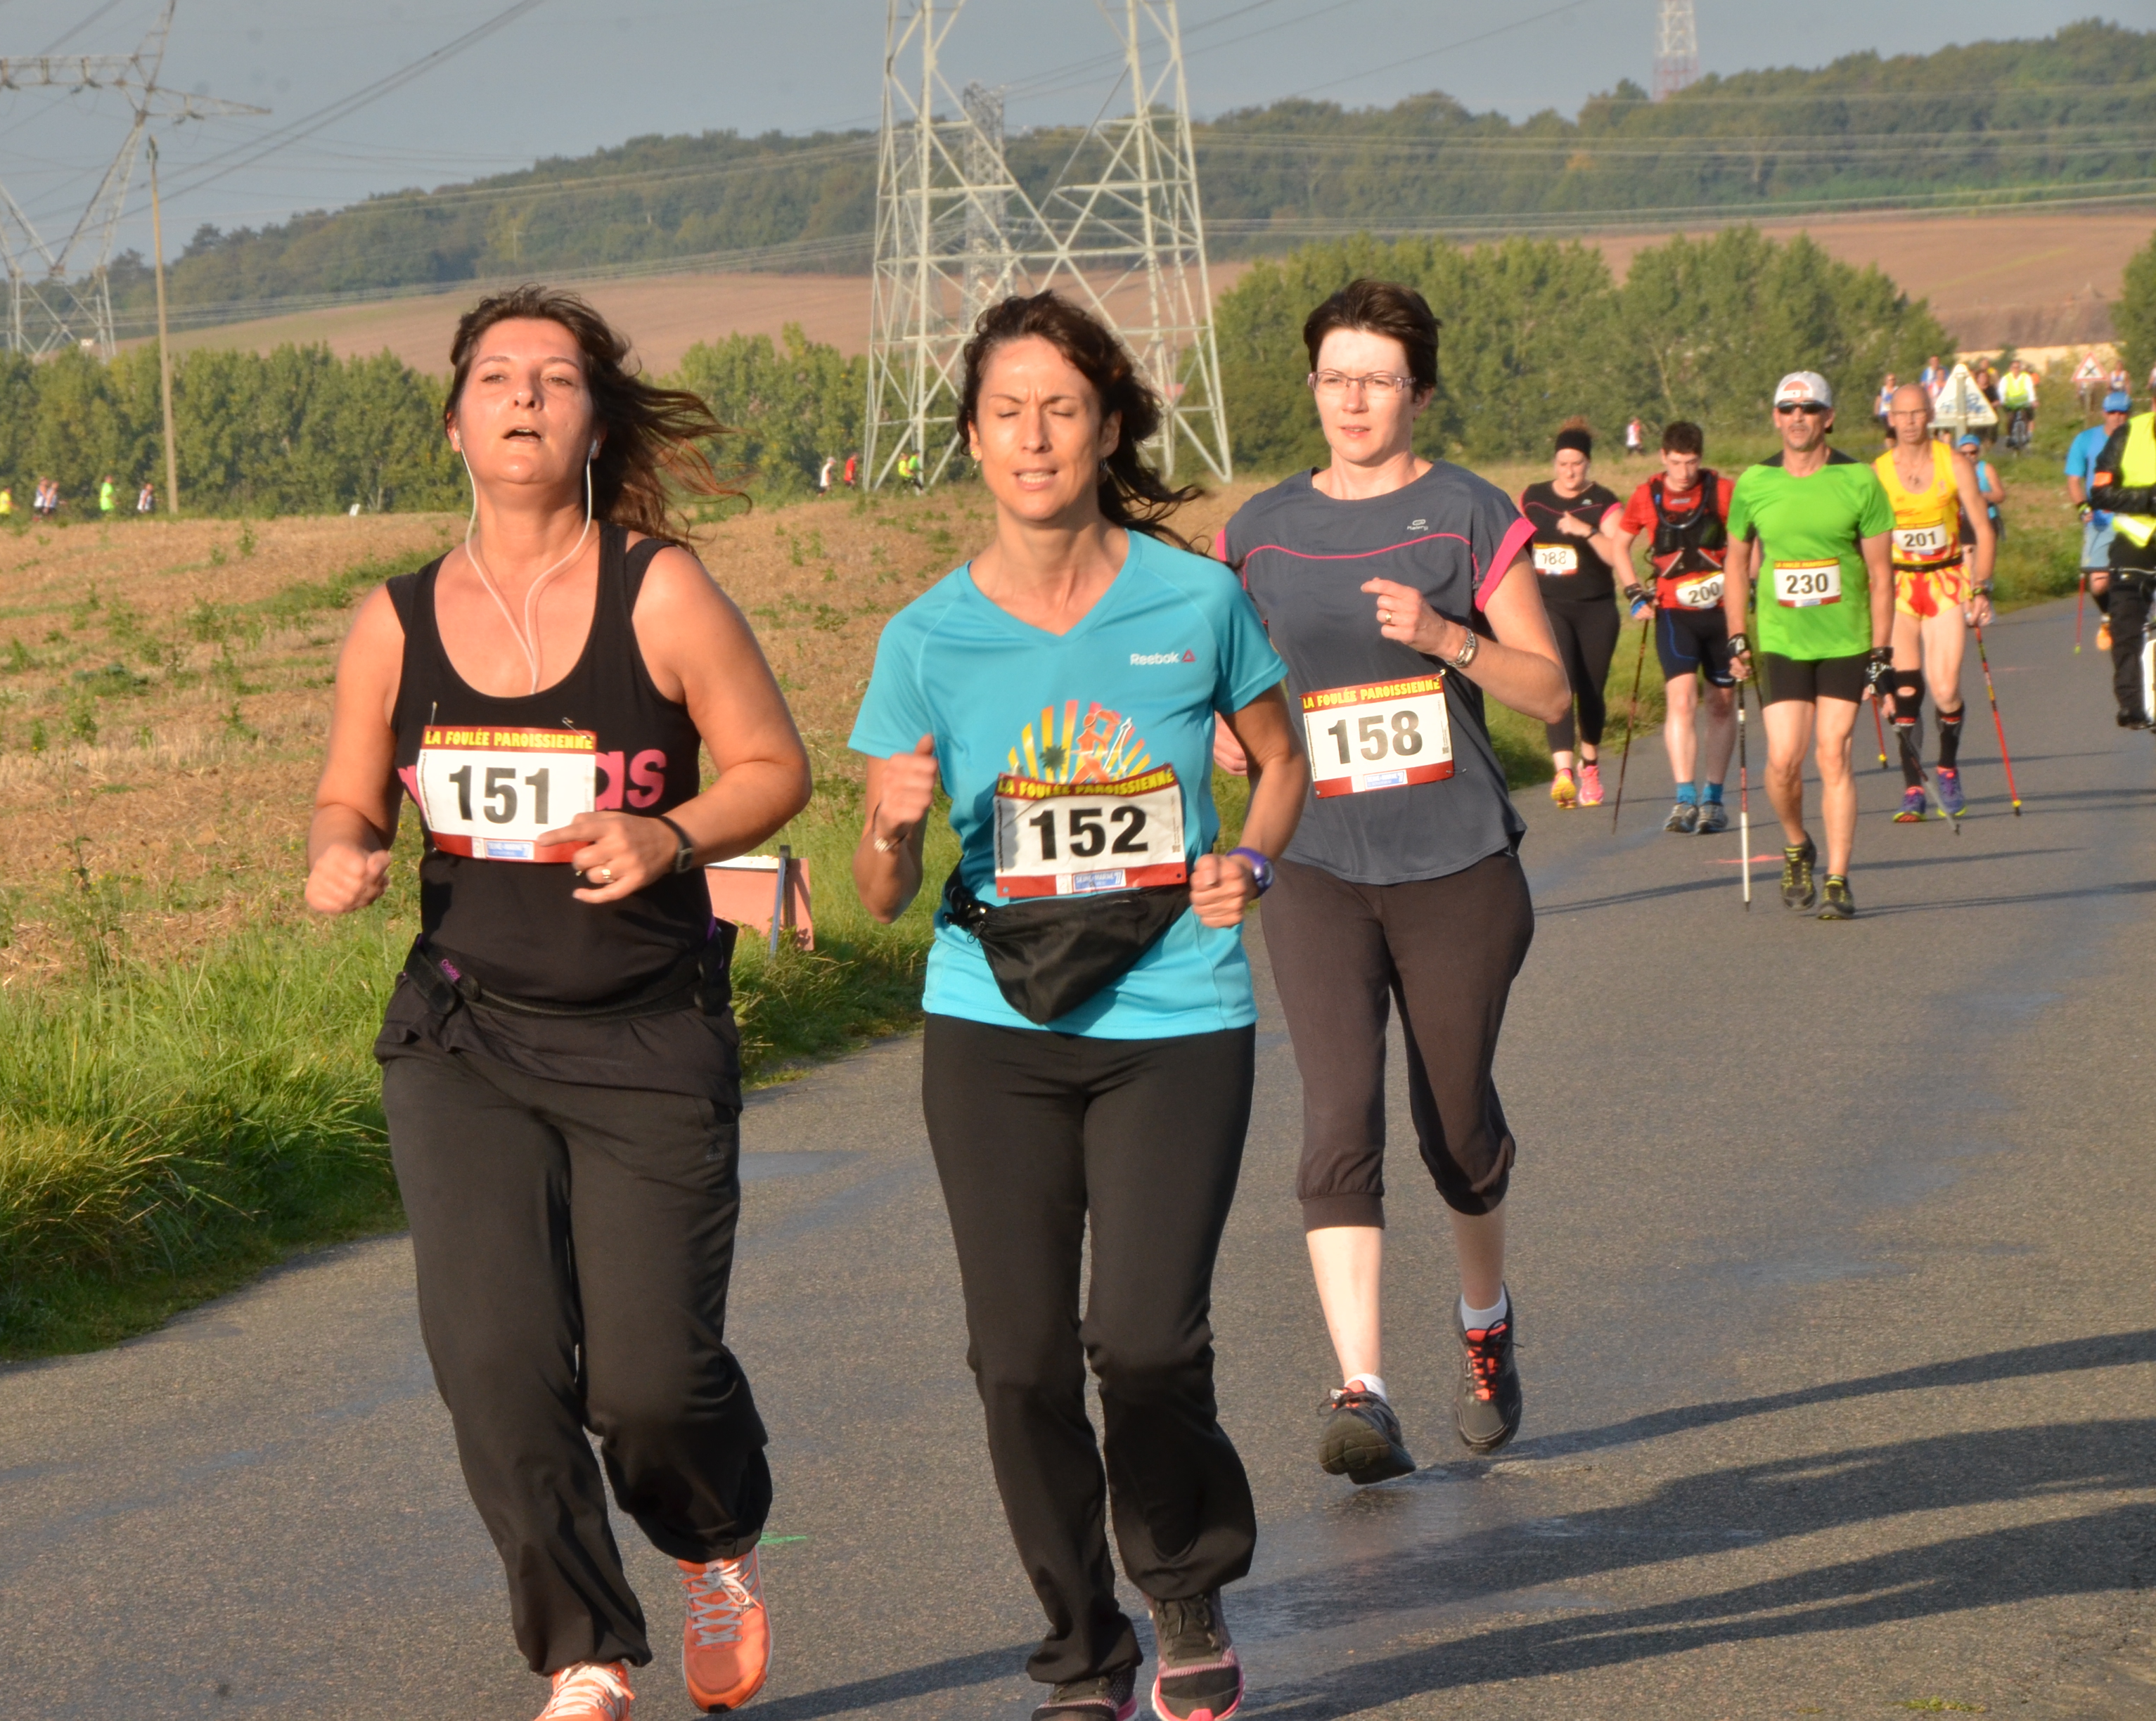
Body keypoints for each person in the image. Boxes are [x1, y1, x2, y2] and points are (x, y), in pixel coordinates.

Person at [304, 285, 811, 1721]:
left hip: (647, 1032)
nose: (525, 395)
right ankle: (585, 1651)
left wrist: (672, 834)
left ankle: (714, 1536)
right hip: (462, 1034)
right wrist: (343, 847)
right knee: (494, 1362)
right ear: (454, 422)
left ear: (595, 422)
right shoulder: (396, 620)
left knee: (650, 1382)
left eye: (557, 377)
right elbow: (349, 792)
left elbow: (773, 768)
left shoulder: (662, 592)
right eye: (497, 376)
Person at [852, 290, 1303, 1721]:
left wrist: (1249, 859)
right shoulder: (925, 637)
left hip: (1176, 1011)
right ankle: (1081, 1644)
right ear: (973, 439)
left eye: (1062, 408)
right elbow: (879, 892)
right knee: (1019, 1360)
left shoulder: (1196, 600)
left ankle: (1185, 1579)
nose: (1035, 436)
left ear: (1109, 427)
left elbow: (1281, 763)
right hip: (992, 1023)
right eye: (1007, 412)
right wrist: (890, 826)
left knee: (1147, 1340)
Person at [1217, 278, 1570, 1504]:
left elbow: (1549, 691)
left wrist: (1445, 638)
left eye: (1377, 379)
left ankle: (1484, 1319)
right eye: (1335, 377)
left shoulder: (1468, 513)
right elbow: (1229, 684)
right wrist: (1227, 735)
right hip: (1316, 863)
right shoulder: (1259, 531)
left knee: (1454, 1124)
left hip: (1455, 866)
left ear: (1418, 392)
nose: (1353, 400)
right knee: (1336, 1114)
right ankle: (1361, 1388)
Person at [1723, 371, 1897, 921]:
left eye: (1809, 408)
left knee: (1834, 751)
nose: (1798, 417)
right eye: (1788, 408)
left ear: (1829, 417)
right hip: (1782, 640)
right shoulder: (1754, 483)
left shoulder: (1859, 480)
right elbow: (1734, 563)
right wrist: (1736, 633)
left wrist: (1882, 653)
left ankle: (1838, 879)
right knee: (1782, 761)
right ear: (1776, 418)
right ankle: (1798, 844)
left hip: (1845, 639)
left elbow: (1882, 574)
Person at [1603, 420, 1737, 833]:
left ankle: (1713, 798)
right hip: (1675, 613)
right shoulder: (1647, 495)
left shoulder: (1723, 490)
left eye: (1692, 462)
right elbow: (1619, 545)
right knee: (1681, 701)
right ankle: (1684, 799)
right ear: (1663, 457)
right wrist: (1633, 592)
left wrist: (1749, 583)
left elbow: (1750, 541)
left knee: (1721, 703)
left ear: (1701, 458)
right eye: (1676, 463)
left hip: (1721, 612)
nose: (1684, 472)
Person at [1873, 385, 1996, 822]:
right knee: (1906, 692)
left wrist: (1981, 586)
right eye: (1901, 414)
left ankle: (1947, 768)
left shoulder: (1954, 463)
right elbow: (1863, 538)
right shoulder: (1878, 472)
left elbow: (1983, 528)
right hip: (1900, 587)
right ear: (1891, 418)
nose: (1909, 422)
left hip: (1946, 582)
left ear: (1929, 415)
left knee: (1945, 689)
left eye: (1917, 413)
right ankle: (1913, 789)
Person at [1517, 423, 1624, 808]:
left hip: (1596, 609)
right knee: (1558, 682)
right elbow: (1512, 542)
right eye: (1563, 463)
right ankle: (1563, 772)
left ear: (1588, 463)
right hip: (1550, 606)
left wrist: (1587, 532)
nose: (1569, 471)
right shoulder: (1533, 498)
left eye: (1576, 463)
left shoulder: (1603, 502)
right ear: (1555, 463)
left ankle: (1589, 766)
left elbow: (1617, 554)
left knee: (1591, 691)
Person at [2088, 393, 2156, 730]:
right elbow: (2100, 492)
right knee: (2126, 620)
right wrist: (2148, 498)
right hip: (2136, 540)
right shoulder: (2128, 434)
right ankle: (2132, 704)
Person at [2070, 392, 2130, 656]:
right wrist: (2082, 506)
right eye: (2112, 413)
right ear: (2104, 413)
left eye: (2122, 413)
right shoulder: (2086, 440)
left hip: (2133, 517)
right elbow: (2074, 479)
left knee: (2136, 575)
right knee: (2099, 583)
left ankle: (2136, 619)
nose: (2117, 418)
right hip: (2101, 520)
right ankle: (2108, 616)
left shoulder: (2137, 438)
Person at [2001, 361, 2036, 456]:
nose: (2016, 370)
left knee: (2026, 416)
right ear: (2010, 369)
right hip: (2011, 403)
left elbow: (2030, 390)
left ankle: (2026, 436)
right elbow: (2002, 391)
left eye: (2018, 367)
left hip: (2024, 402)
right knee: (2010, 418)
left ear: (2020, 369)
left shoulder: (2026, 377)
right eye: (2014, 367)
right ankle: (2009, 437)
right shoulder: (2006, 378)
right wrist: (2003, 401)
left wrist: (2033, 400)